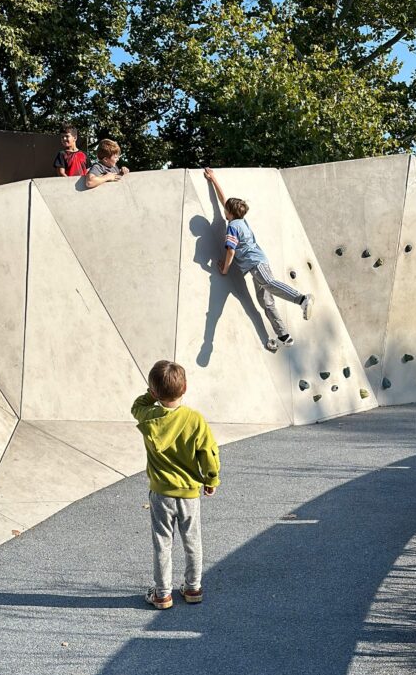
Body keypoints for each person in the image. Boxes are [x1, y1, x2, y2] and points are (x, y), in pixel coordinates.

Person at [132, 360, 220, 609]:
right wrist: (211, 479)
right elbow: (209, 453)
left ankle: (162, 594)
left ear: (153, 393)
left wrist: (152, 395)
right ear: (185, 388)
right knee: (192, 541)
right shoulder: (194, 419)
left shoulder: (149, 416)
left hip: (161, 493)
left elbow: (136, 406)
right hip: (189, 494)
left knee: (162, 543)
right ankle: (193, 588)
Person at [204, 167, 314, 351]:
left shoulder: (233, 227)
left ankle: (302, 299)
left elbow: (230, 252)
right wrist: (213, 179)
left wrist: (224, 270)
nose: (223, 209)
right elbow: (223, 200)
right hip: (254, 266)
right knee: (265, 302)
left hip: (256, 263)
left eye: (226, 209)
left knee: (269, 282)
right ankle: (284, 335)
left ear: (228, 212)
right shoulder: (239, 220)